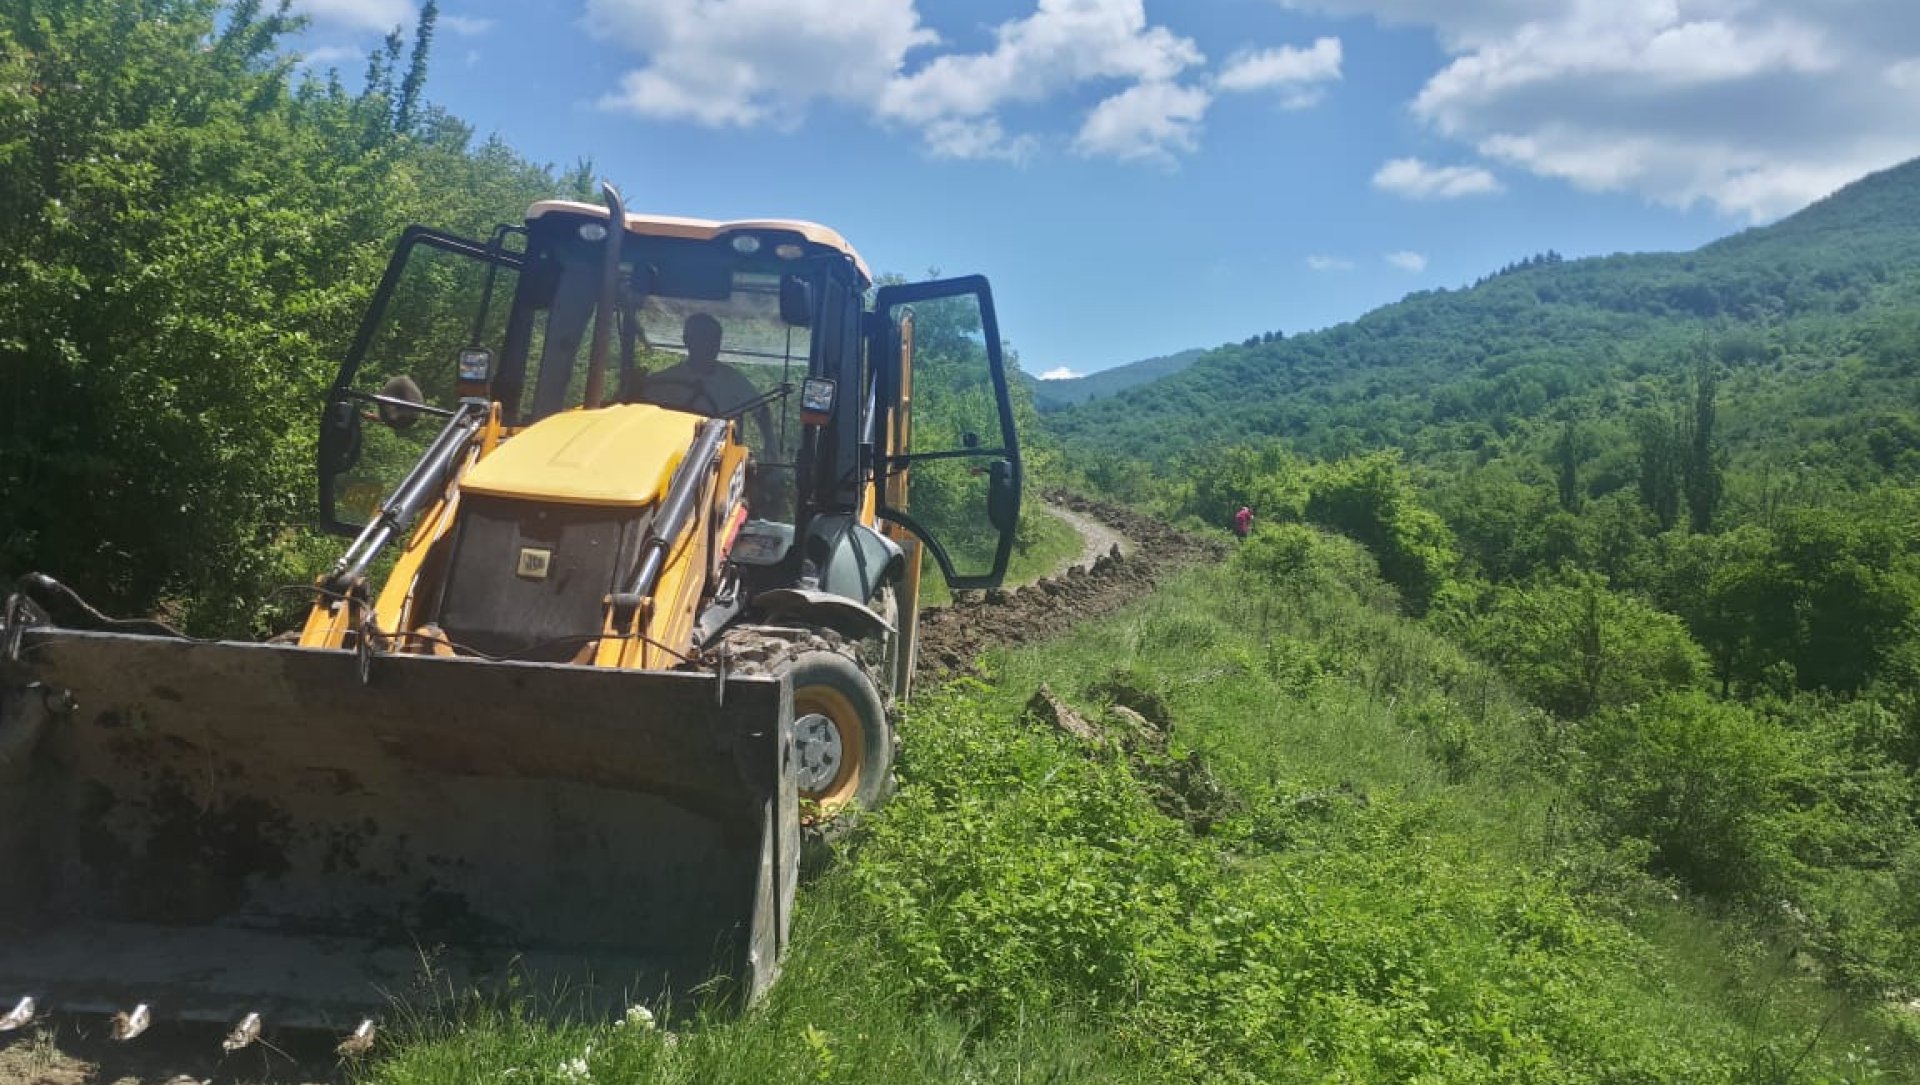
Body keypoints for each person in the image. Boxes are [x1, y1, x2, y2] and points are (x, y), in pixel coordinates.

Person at [636, 313, 774, 448]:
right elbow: (639, 411)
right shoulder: (663, 383)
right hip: (671, 454)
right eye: (702, 339)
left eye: (713, 340)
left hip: (723, 460)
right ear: (687, 340)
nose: (708, 345)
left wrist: (770, 447)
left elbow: (761, 411)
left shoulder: (734, 381)